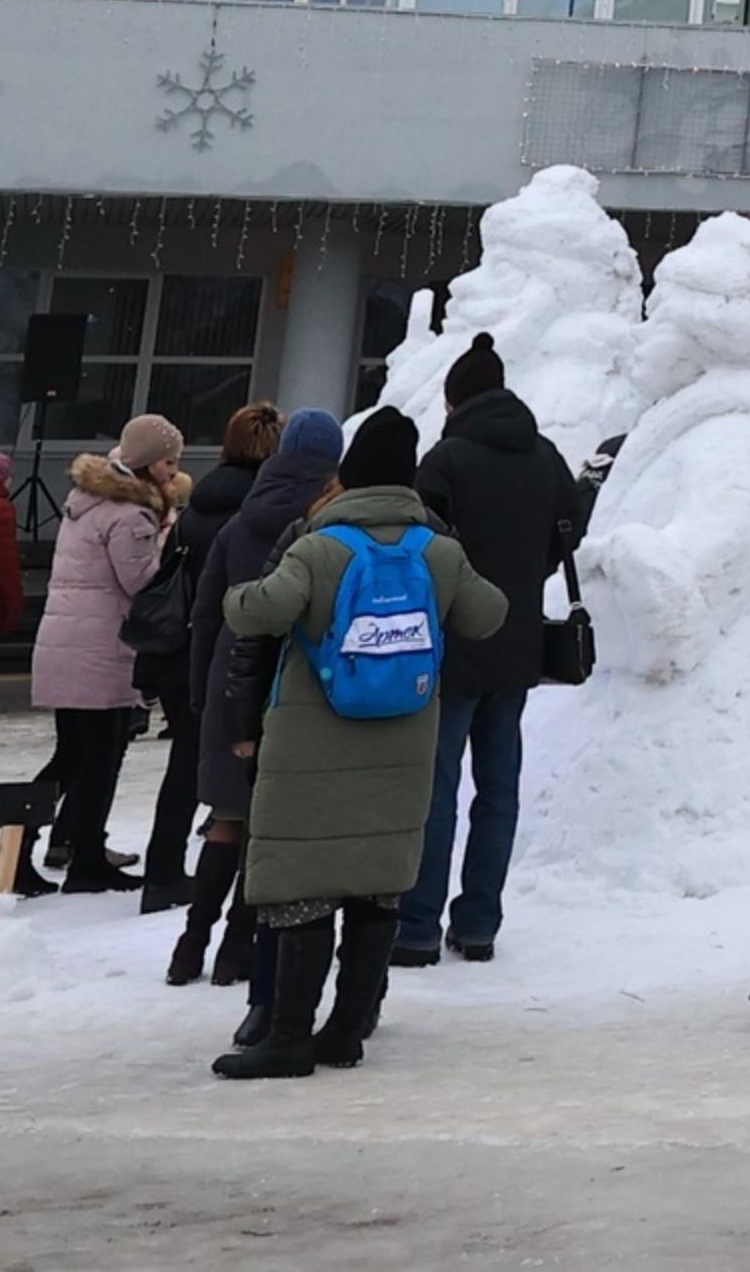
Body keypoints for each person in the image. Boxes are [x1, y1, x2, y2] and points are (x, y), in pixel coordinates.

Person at [213, 403, 502, 1078]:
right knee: (377, 889)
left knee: (304, 885)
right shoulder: (437, 550)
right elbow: (489, 616)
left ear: (350, 475)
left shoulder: (320, 547)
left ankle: (286, 1037)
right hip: (403, 739)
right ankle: (346, 1032)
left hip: (313, 742)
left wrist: (237, 594)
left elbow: (260, 611)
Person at [394, 338, 584, 970]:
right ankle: (478, 924)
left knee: (436, 788)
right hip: (519, 644)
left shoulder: (446, 459)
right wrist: (527, 576)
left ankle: (417, 926)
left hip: (451, 646)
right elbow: (570, 527)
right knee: (499, 788)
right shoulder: (545, 455)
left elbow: (418, 545)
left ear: (454, 399)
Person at [174, 403, 344, 1003]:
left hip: (228, 673)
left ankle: (189, 945)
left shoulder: (238, 521)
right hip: (291, 681)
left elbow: (204, 612)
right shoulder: (325, 523)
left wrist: (202, 695)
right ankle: (236, 948)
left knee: (227, 814)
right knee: (270, 825)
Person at [13, 412, 185, 893]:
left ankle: (47, 848)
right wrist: (170, 540)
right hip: (100, 650)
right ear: (149, 463)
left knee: (74, 756)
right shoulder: (130, 514)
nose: (174, 471)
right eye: (170, 461)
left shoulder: (88, 498)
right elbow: (144, 583)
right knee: (95, 759)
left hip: (70, 646)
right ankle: (53, 851)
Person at [138, 404, 277, 913]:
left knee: (184, 765)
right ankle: (237, 887)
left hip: (181, 648)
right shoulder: (266, 512)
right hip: (233, 652)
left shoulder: (198, 504)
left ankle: (163, 870)